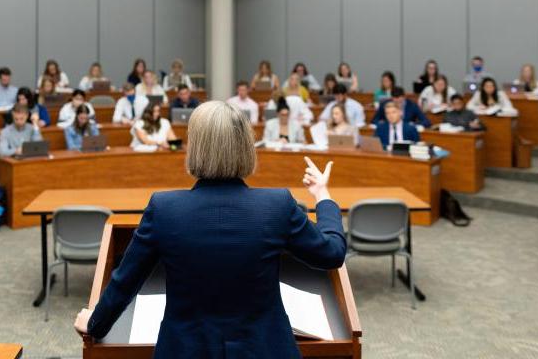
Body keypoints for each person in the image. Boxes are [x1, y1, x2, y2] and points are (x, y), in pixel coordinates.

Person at [75, 101, 345, 358]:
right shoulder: (277, 205)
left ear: (196, 148)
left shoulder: (164, 208)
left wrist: (96, 323)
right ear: (246, 148)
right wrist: (323, 196)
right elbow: (331, 253)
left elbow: (125, 282)